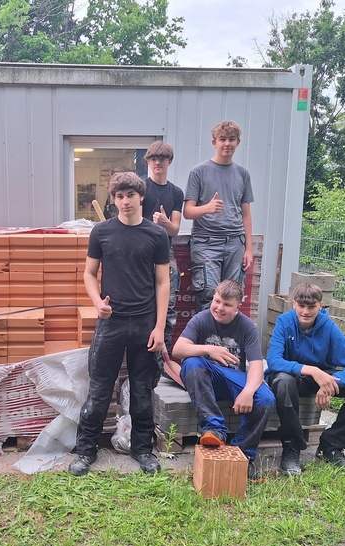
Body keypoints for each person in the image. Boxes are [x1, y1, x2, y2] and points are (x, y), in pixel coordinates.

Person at [68, 171, 170, 476]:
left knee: (141, 391)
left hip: (144, 324)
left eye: (130, 195)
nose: (125, 201)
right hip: (110, 325)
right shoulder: (101, 232)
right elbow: (89, 274)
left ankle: (142, 450)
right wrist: (97, 302)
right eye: (119, 196)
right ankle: (85, 451)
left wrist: (160, 327)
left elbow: (163, 282)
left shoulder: (156, 235)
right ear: (114, 200)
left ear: (141, 197)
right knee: (99, 390)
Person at [266, 283, 345, 476]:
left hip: (324, 378)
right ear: (294, 304)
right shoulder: (284, 322)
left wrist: (332, 382)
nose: (306, 311)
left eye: (311, 307)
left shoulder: (327, 327)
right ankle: (291, 448)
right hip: (294, 378)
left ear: (320, 305)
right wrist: (312, 370)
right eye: (301, 306)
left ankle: (331, 446)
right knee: (282, 380)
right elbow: (274, 360)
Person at [172, 279, 274, 480]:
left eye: (227, 305)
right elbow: (178, 349)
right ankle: (214, 429)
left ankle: (244, 455)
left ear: (237, 307)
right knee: (191, 362)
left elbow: (255, 365)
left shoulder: (247, 327)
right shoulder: (201, 319)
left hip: (232, 378)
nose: (219, 308)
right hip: (205, 375)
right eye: (217, 301)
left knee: (266, 399)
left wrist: (248, 391)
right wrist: (208, 349)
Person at [183, 120, 255, 311]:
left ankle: (227, 342)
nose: (227, 144)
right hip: (206, 243)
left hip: (235, 243)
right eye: (222, 139)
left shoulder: (243, 174)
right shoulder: (198, 172)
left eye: (231, 139)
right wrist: (207, 208)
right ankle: (206, 341)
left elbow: (246, 214)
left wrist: (248, 249)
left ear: (238, 142)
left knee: (231, 298)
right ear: (214, 142)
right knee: (209, 297)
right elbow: (188, 211)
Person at [142, 141, 185, 349]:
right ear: (148, 162)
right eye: (153, 159)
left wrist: (165, 223)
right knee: (141, 305)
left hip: (165, 253)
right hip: (139, 252)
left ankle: (163, 360)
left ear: (169, 161)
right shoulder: (139, 187)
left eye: (162, 159)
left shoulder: (176, 193)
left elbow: (175, 229)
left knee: (167, 309)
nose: (157, 162)